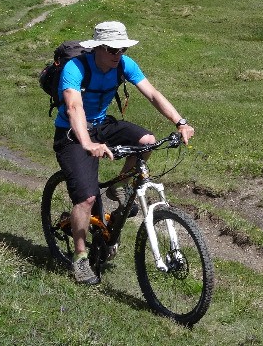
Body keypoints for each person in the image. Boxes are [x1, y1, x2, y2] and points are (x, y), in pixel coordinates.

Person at [52, 20, 195, 285]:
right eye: (113, 50)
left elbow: (152, 94)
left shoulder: (124, 65)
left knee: (147, 140)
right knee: (85, 199)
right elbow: (73, 108)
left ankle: (121, 188)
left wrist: (180, 122)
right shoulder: (75, 68)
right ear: (98, 48)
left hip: (103, 125)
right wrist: (87, 143)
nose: (119, 55)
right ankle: (80, 258)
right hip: (72, 134)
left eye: (123, 50)